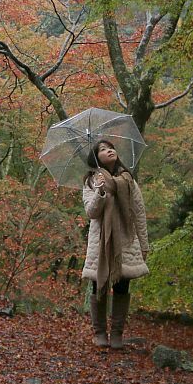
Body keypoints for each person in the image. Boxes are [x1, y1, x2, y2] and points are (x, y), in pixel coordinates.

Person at [82, 140, 149, 349]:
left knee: (122, 285)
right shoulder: (91, 181)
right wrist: (100, 192)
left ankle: (117, 334)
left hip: (126, 240)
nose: (109, 150)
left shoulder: (128, 181)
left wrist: (144, 244)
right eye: (102, 149)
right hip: (100, 243)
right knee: (99, 284)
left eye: (110, 147)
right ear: (96, 157)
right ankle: (100, 332)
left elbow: (139, 213)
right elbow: (91, 213)